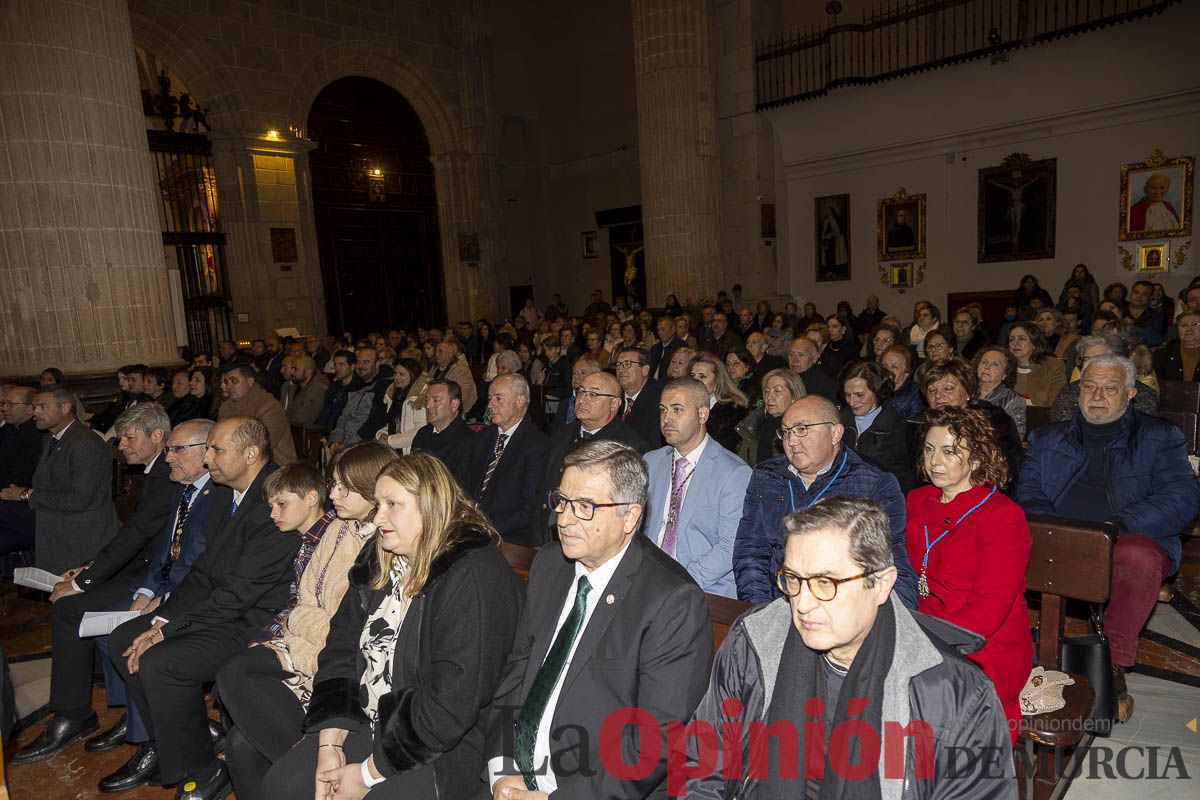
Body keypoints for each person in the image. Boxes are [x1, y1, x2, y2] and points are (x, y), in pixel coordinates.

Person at [684, 497, 1015, 799]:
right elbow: (701, 769)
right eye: (794, 580)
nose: (802, 603)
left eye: (825, 583)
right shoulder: (754, 643)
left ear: (881, 584)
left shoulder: (957, 694)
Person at [261, 453, 522, 799]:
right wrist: (330, 741)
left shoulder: (473, 575)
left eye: (392, 504)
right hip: (372, 721)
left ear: (431, 506)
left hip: (440, 748)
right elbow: (340, 647)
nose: (378, 516)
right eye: (378, 503)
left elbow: (449, 708)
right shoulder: (381, 557)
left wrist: (367, 775)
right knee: (279, 783)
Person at [485, 440, 712, 798]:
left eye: (585, 507)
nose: (563, 519)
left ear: (630, 517)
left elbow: (652, 745)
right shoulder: (550, 565)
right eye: (561, 501)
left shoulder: (672, 602)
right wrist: (503, 769)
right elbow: (516, 674)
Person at [10, 419, 221, 787]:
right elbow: (163, 553)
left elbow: (199, 563)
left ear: (207, 453)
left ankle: (152, 738)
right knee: (103, 628)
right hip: (154, 580)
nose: (168, 457)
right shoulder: (182, 488)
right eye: (168, 449)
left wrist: (163, 601)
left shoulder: (214, 496)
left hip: (185, 596)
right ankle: (136, 717)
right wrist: (144, 593)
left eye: (176, 449)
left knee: (123, 636)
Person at [105, 418, 301, 797]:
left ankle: (202, 768)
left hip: (253, 621)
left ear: (250, 454)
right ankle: (176, 737)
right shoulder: (227, 493)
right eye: (207, 448)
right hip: (221, 605)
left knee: (160, 660)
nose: (207, 458)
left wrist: (166, 630)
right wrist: (162, 617)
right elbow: (204, 570)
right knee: (123, 638)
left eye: (216, 450)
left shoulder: (275, 500)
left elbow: (240, 595)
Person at [1019, 355, 1200, 722]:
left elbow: (1181, 499)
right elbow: (1028, 493)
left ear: (1130, 394)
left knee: (1138, 558)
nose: (1098, 396)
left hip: (1126, 536)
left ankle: (1111, 663)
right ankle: (1020, 656)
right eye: (1090, 386)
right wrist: (1064, 532)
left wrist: (1114, 527)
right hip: (1061, 534)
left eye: (1110, 388)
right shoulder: (1047, 437)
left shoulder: (1159, 436)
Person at [218, 445, 395, 800]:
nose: (335, 494)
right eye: (334, 484)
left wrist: (300, 625)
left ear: (373, 489)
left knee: (241, 728)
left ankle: (315, 771)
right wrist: (302, 622)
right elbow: (303, 598)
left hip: (338, 665)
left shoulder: (384, 543)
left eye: (345, 487)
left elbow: (347, 632)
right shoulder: (338, 528)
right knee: (234, 684)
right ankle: (312, 769)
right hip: (307, 644)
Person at [908, 407, 1031, 741]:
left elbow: (988, 612)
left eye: (949, 452)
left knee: (923, 693)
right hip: (924, 631)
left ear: (976, 459)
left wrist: (926, 645)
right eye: (930, 449)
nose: (935, 461)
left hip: (985, 644)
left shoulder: (1003, 517)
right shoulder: (917, 501)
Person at [733, 395, 918, 607]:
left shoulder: (873, 483)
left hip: (841, 609)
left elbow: (892, 563)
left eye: (802, 429)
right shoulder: (767, 476)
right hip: (778, 602)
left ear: (835, 433)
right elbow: (750, 551)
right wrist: (761, 611)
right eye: (786, 432)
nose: (791, 441)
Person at [641, 377, 752, 597]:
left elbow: (729, 547)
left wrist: (676, 581)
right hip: (649, 581)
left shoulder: (734, 473)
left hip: (706, 589)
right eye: (663, 410)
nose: (667, 418)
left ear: (703, 414)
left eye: (677, 409)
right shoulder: (650, 462)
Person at [0, 385, 119, 573]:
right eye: (34, 407)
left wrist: (26, 494)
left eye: (43, 407)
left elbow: (78, 500)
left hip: (77, 523)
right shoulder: (50, 439)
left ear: (65, 408)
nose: (35, 413)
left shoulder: (85, 443)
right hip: (51, 513)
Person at [531, 371, 649, 544]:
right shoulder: (562, 433)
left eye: (593, 394)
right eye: (580, 392)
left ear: (615, 403)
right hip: (544, 537)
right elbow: (541, 487)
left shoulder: (628, 447)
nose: (583, 399)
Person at [464, 374, 548, 546]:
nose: (490, 405)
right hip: (473, 529)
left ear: (520, 401)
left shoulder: (537, 445)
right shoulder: (484, 437)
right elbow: (467, 485)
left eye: (498, 398)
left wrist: (483, 527)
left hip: (509, 538)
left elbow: (529, 510)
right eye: (489, 398)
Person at [916, 359, 1023, 490]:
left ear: (968, 392)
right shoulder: (920, 426)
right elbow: (915, 477)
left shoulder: (994, 421)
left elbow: (1007, 472)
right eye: (932, 390)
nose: (938, 395)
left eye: (948, 388)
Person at [839, 361, 917, 492]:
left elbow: (904, 479)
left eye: (859, 395)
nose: (852, 402)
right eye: (848, 395)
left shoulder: (897, 428)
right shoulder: (839, 421)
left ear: (877, 391)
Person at [1051, 333, 1159, 422]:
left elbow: (1141, 430)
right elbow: (1061, 425)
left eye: (1100, 359)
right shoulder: (1070, 391)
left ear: (1120, 360)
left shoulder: (1143, 394)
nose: (1092, 365)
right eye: (1087, 360)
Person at [217, 365, 299, 465]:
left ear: (250, 382)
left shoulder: (269, 406)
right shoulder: (225, 407)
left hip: (274, 466)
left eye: (234, 381)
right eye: (226, 382)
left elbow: (263, 446)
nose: (228, 386)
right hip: (238, 461)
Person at [0, 385, 43, 556]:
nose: (4, 408)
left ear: (29, 409)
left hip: (25, 505)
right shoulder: (10, 431)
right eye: (4, 403)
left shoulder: (35, 437)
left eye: (10, 404)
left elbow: (17, 480)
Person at [734, 368, 805, 467]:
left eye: (777, 391)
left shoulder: (802, 431)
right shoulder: (752, 424)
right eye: (766, 391)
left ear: (794, 396)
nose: (769, 397)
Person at [410, 380, 475, 487]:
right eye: (427, 400)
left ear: (454, 405)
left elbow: (460, 489)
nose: (428, 406)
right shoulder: (423, 434)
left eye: (435, 400)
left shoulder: (468, 441)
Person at [689, 352, 748, 452]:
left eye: (702, 376)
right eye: (692, 376)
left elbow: (727, 450)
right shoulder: (685, 406)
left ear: (717, 380)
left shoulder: (733, 410)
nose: (695, 381)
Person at [613, 346, 664, 447]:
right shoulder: (612, 394)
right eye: (618, 365)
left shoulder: (660, 398)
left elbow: (653, 444)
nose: (621, 369)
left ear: (645, 370)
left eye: (627, 364)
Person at [1008, 321, 1065, 407]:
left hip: (1039, 417)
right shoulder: (1004, 366)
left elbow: (1056, 404)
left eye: (1022, 338)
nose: (1015, 343)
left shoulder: (1053, 365)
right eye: (1011, 339)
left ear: (1035, 343)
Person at [974, 346, 1027, 439]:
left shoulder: (1014, 401)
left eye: (995, 364)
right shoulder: (965, 391)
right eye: (984, 362)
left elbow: (1015, 438)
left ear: (1005, 373)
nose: (987, 367)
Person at [787, 335, 837, 402]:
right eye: (791, 355)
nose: (794, 360)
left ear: (815, 357)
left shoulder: (824, 385)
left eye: (801, 355)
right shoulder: (783, 377)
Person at [880, 343, 924, 420]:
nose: (887, 370)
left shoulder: (917, 394)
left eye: (894, 367)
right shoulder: (873, 388)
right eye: (884, 366)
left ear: (907, 372)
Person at [1153, 309, 1200, 380]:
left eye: (1195, 324)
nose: (1189, 329)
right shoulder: (1161, 356)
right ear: (1177, 330)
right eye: (1184, 325)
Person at [1126, 279, 1167, 347]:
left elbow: (1155, 340)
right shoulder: (1119, 312)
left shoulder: (1158, 316)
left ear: (1151, 297)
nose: (1139, 296)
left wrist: (1129, 327)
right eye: (1136, 292)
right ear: (1130, 294)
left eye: (1144, 294)